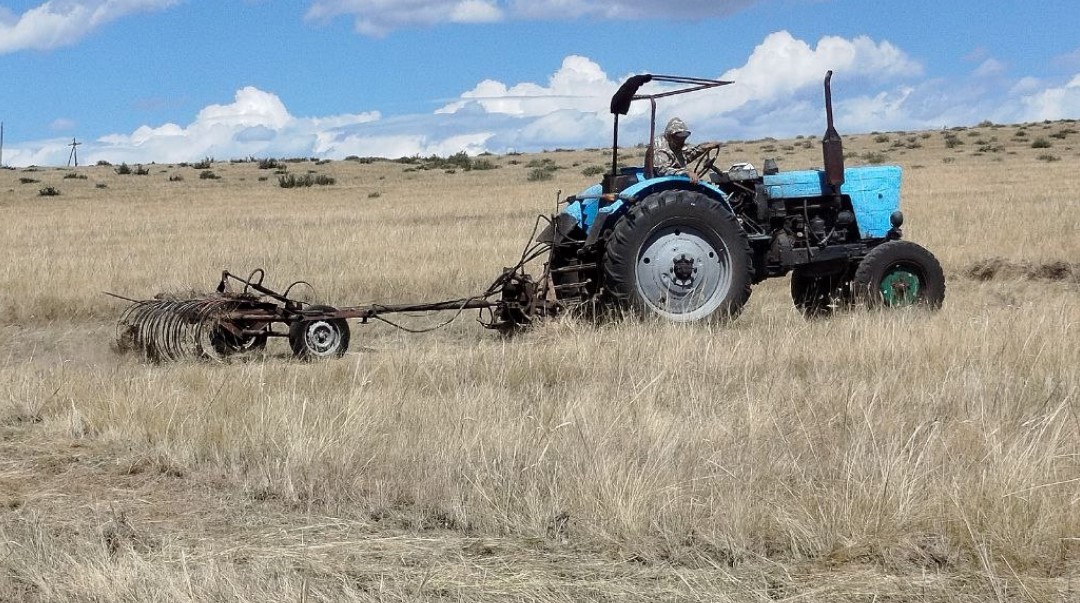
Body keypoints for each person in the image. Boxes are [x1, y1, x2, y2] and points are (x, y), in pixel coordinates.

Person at [652, 117, 721, 183]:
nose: (682, 141)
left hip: (674, 177)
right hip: (664, 180)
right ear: (670, 136)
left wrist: (704, 147)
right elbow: (662, 170)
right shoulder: (661, 147)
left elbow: (687, 156)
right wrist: (686, 172)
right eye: (679, 138)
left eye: (684, 137)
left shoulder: (675, 145)